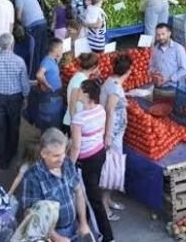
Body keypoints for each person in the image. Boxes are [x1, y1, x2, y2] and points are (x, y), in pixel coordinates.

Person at [15, 128, 93, 242]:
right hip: (52, 234)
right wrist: (56, 238)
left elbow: (79, 191)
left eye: (63, 153)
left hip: (74, 226)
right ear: (43, 154)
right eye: (56, 156)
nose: (62, 159)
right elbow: (30, 214)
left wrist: (83, 223)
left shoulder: (67, 163)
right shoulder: (32, 177)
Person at [69, 80, 113, 242]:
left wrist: (69, 165)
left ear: (87, 95)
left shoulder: (79, 119)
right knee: (90, 193)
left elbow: (76, 147)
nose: (78, 92)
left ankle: (106, 236)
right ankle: (84, 223)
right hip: (99, 154)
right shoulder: (100, 110)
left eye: (80, 90)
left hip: (86, 161)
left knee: (91, 198)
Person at [0, 33, 31, 170]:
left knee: (0, 127)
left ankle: (2, 159)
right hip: (15, 98)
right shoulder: (19, 61)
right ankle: (12, 152)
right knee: (14, 125)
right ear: (12, 45)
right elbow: (24, 83)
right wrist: (26, 96)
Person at [100, 54, 130, 221]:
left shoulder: (112, 81)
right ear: (128, 70)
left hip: (116, 133)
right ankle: (104, 207)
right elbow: (109, 110)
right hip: (113, 135)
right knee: (110, 171)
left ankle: (109, 200)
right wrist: (108, 136)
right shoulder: (115, 88)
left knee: (112, 169)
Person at [29, 38, 66, 130]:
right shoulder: (47, 61)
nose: (62, 50)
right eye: (61, 48)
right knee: (51, 124)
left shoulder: (52, 60)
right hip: (50, 99)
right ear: (56, 49)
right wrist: (46, 84)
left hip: (54, 98)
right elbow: (39, 74)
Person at [15, 0, 50, 73]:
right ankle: (43, 71)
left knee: (33, 52)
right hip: (43, 23)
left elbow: (18, 16)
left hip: (34, 27)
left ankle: (33, 74)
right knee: (42, 50)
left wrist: (18, 24)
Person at [64, 53, 100, 130]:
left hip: (77, 121)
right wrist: (74, 125)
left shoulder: (80, 77)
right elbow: (72, 104)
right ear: (94, 67)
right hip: (73, 122)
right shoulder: (79, 80)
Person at [149, 22, 186, 92]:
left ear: (169, 33)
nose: (161, 37)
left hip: (173, 87)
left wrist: (169, 79)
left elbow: (184, 69)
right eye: (158, 35)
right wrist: (154, 72)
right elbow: (151, 66)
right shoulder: (155, 49)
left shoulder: (178, 48)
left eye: (163, 34)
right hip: (157, 86)